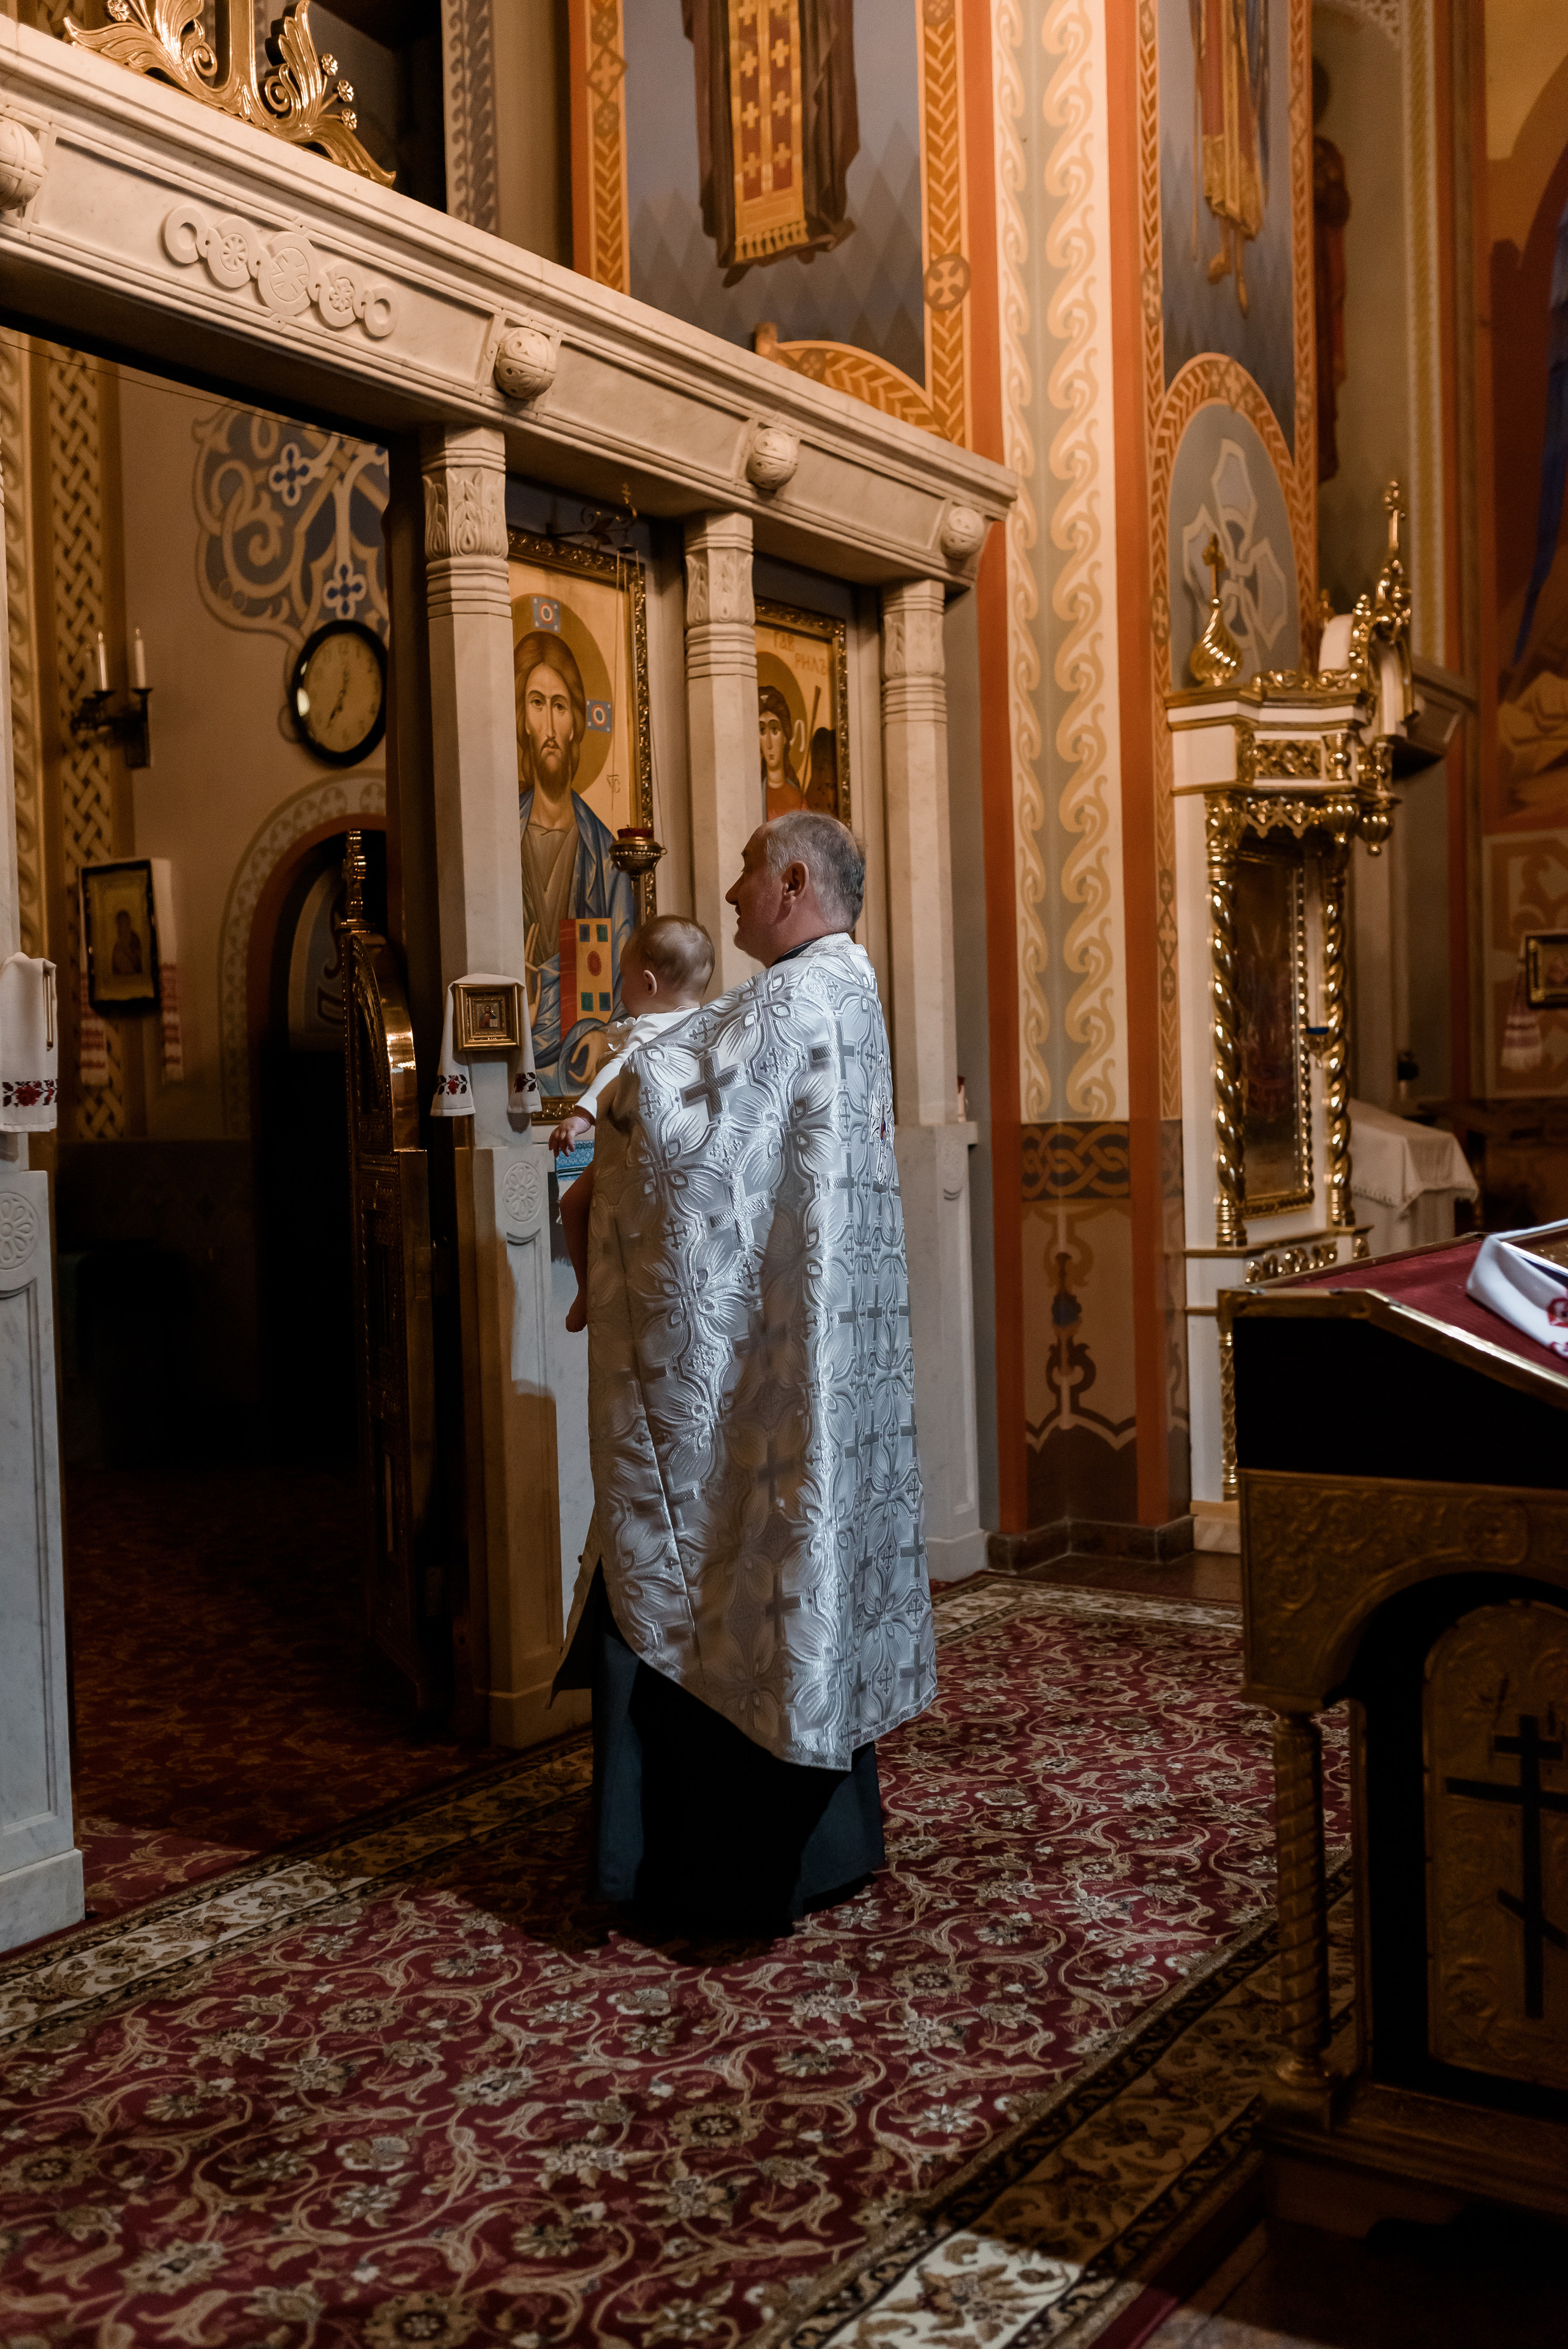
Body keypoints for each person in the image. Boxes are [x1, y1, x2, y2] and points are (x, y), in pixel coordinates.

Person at [555, 810, 935, 1939]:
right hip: (817, 1346)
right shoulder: (849, 992)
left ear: (793, 879)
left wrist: (602, 1096)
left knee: (720, 1565)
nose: (727, 896)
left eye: (742, 875)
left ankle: (709, 1866)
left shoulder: (793, 998)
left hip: (774, 1366)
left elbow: (680, 1137)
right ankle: (830, 1844)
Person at [549, 915, 715, 1333]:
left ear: (648, 984)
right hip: (696, 1152)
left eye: (623, 980)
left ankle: (586, 1293)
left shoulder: (652, 1028)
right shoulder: (711, 1026)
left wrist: (581, 1116)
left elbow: (617, 1071)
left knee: (572, 1205)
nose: (621, 993)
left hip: (637, 1151)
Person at [515, 626, 635, 1092]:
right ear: (523, 719)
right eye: (537, 703)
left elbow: (626, 968)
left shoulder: (606, 856)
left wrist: (602, 1033)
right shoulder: (497, 846)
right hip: (514, 1054)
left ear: (576, 723)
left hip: (579, 1057)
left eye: (559, 706)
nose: (548, 726)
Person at [758, 684, 804, 820]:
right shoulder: (753, 797)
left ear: (785, 736)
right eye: (762, 731)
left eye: (774, 730)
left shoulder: (798, 799)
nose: (769, 743)